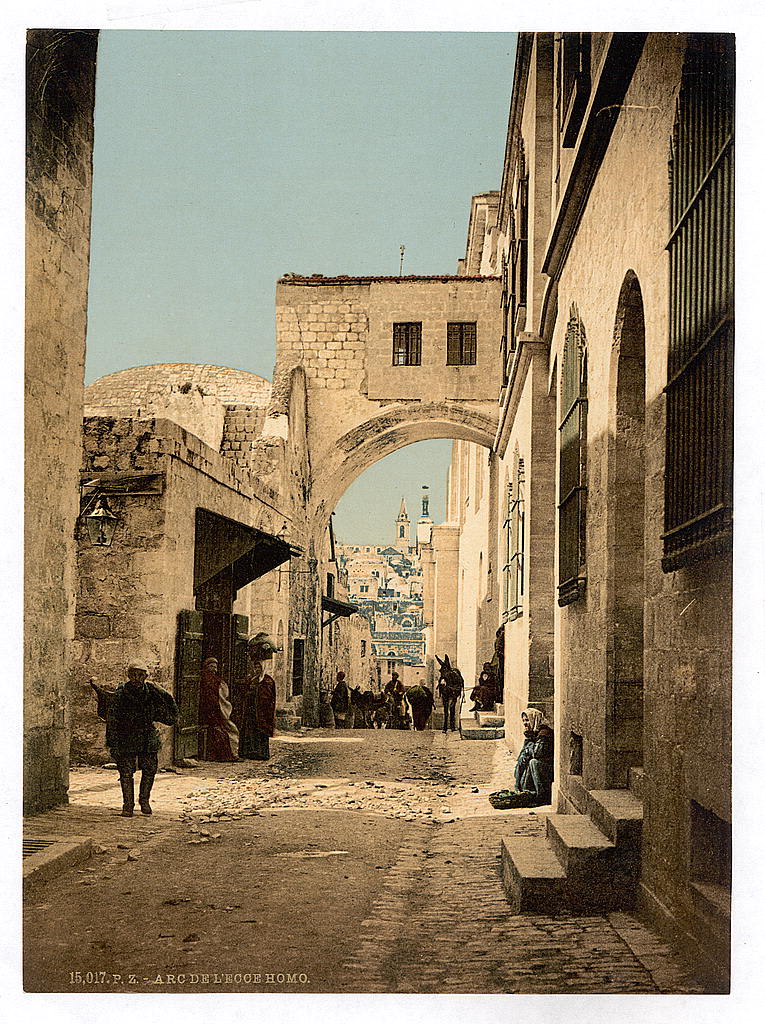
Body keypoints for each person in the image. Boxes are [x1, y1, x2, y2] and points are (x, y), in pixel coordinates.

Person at [92, 660, 178, 817]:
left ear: (146, 676)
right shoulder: (121, 693)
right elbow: (112, 719)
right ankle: (128, 804)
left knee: (149, 769)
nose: (136, 678)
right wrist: (112, 742)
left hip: (147, 737)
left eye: (140, 675)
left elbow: (169, 709)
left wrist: (163, 697)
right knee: (125, 772)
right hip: (126, 736)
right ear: (128, 676)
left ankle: (144, 801)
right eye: (133, 675)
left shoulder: (152, 692)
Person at [489, 707, 554, 809]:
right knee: (523, 760)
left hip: (547, 769)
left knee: (533, 762)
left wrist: (530, 741)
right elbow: (523, 754)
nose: (525, 723)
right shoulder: (533, 733)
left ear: (534, 719)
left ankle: (542, 795)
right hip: (538, 767)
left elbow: (537, 753)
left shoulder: (544, 734)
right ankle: (526, 792)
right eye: (523, 720)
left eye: (527, 720)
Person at [239, 633, 279, 760]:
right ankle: (247, 752)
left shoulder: (267, 680)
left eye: (258, 667)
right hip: (251, 709)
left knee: (260, 731)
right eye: (255, 667)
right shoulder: (250, 678)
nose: (256, 669)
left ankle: (261, 753)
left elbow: (269, 697)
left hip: (262, 710)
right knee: (249, 731)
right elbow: (244, 691)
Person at [198, 656, 239, 762]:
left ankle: (229, 754)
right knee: (221, 733)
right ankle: (223, 756)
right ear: (206, 667)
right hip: (208, 711)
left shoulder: (217, 680)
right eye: (211, 666)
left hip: (214, 710)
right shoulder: (204, 679)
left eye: (215, 667)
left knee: (226, 731)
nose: (214, 669)